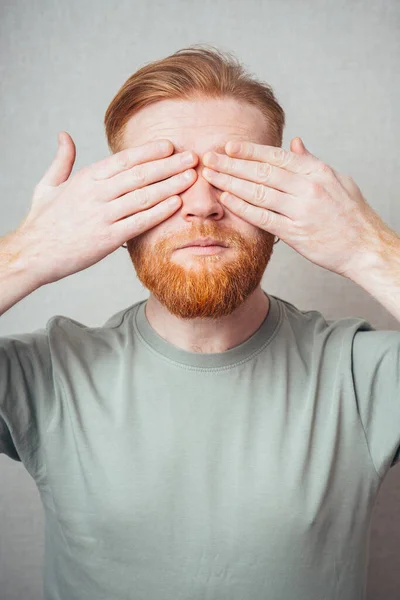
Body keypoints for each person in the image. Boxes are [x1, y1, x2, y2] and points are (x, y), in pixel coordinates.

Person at [1, 44, 399, 600]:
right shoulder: (46, 375)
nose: (203, 205)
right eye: (163, 179)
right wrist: (27, 254)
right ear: (112, 214)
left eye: (235, 176)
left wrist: (365, 248)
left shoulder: (362, 376)